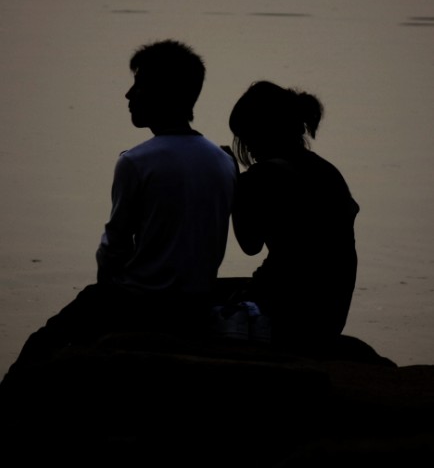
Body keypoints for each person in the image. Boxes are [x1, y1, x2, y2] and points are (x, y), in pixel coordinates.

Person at [2, 39, 237, 378]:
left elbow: (115, 246)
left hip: (141, 302)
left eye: (138, 85)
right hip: (197, 302)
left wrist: (107, 292)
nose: (128, 95)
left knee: (41, 345)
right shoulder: (223, 162)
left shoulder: (137, 161)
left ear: (160, 93)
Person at [214, 80, 359, 352]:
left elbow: (249, 244)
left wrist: (233, 181)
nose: (247, 148)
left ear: (261, 132)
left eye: (246, 137)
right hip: (331, 310)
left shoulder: (261, 176)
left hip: (288, 308)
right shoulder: (327, 171)